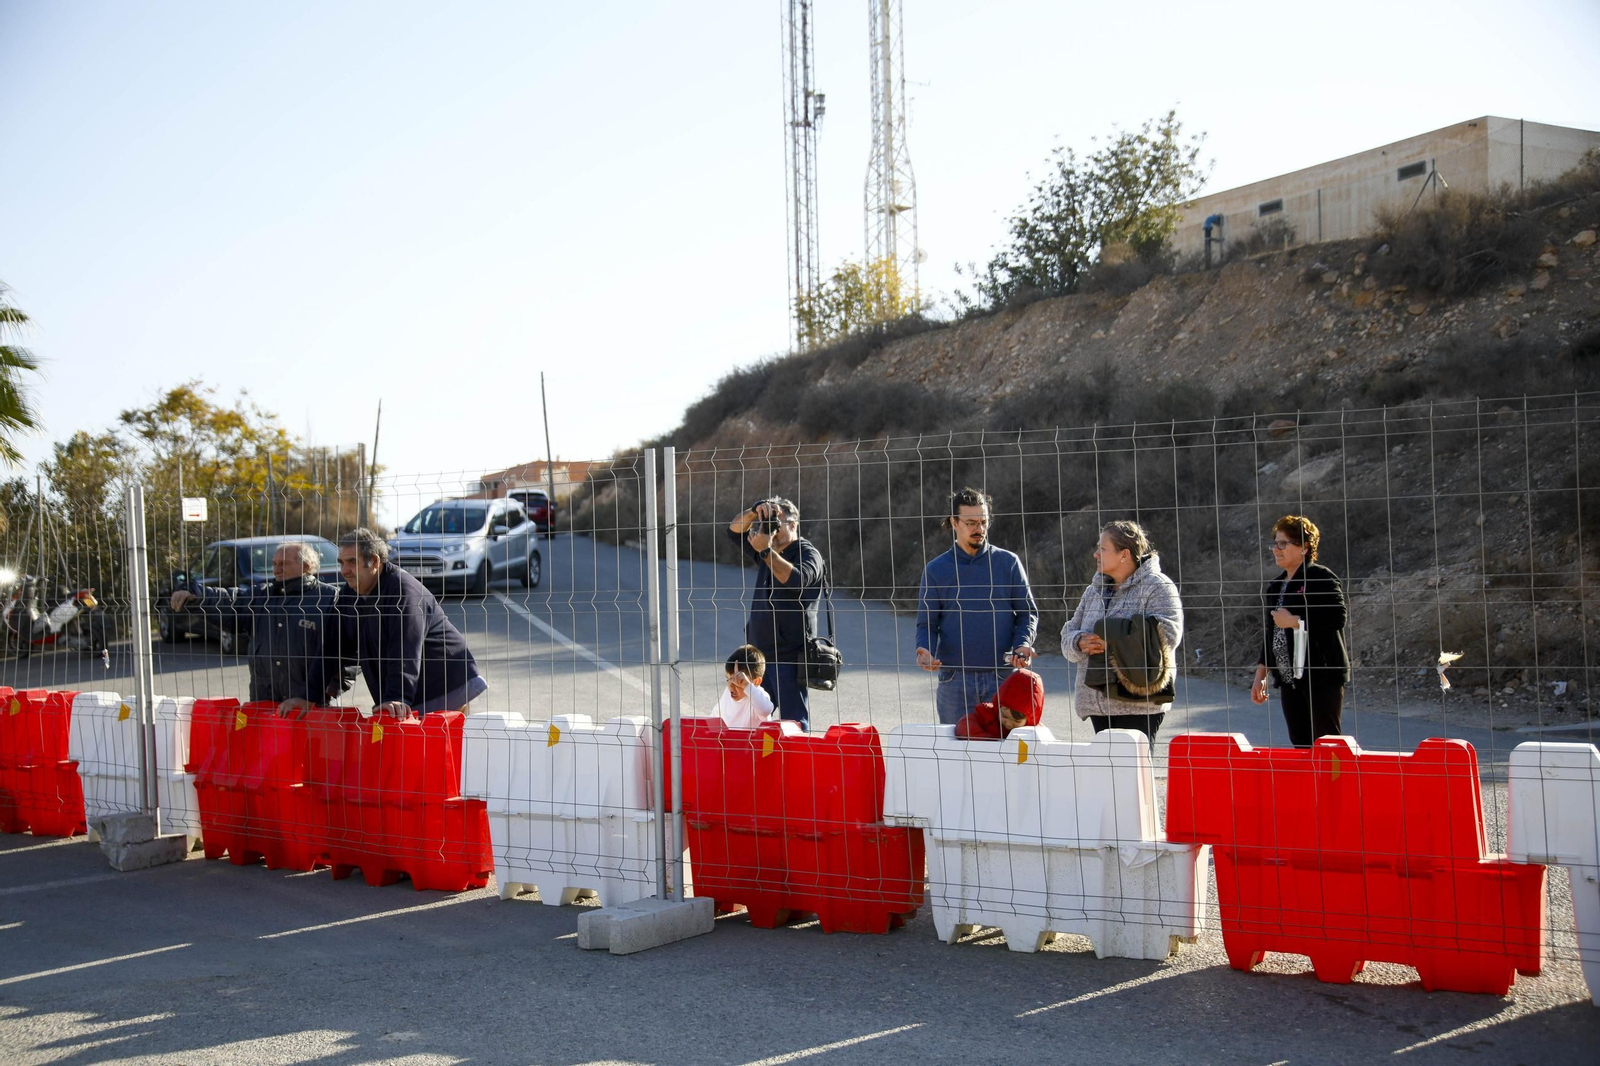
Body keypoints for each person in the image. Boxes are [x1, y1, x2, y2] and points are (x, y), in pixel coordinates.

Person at [283, 527, 486, 718]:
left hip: (446, 685)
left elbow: (405, 649)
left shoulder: (403, 592)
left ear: (374, 561)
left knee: (435, 752)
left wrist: (396, 698)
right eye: (341, 562)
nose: (344, 570)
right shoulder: (350, 594)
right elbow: (332, 647)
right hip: (410, 689)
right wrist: (308, 696)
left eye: (352, 562)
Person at [169, 541, 354, 712]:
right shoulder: (261, 596)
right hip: (265, 705)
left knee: (312, 749)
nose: (277, 569)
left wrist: (328, 690)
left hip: (312, 707)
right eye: (274, 564)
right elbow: (229, 600)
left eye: (284, 564)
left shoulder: (330, 599)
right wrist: (196, 596)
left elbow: (352, 649)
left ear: (306, 567)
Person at [915, 487, 1039, 726]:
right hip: (954, 681)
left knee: (1005, 755)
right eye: (971, 522)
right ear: (954, 522)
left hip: (1002, 677)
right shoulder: (936, 569)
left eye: (983, 522)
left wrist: (1023, 643)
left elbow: (1027, 613)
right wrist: (925, 649)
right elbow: (927, 622)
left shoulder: (1008, 563)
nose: (979, 529)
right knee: (956, 754)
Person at [1060, 520, 1183, 743]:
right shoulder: (1093, 590)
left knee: (1134, 775)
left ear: (1124, 554)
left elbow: (1169, 634)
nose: (1096, 554)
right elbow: (1069, 631)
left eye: (1102, 548)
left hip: (1140, 704)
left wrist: (1113, 641)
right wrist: (1079, 642)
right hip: (1097, 704)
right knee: (1107, 776)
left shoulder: (1158, 587)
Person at [1251, 515, 1350, 747]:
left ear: (1304, 547)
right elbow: (1271, 634)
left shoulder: (1321, 578)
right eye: (1274, 544)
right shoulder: (1276, 586)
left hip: (1321, 677)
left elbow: (1337, 617)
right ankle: (1309, 785)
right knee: (1300, 744)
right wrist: (1261, 676)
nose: (1276, 549)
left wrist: (1296, 621)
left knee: (1327, 745)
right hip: (1288, 680)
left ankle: (1332, 785)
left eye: (1283, 544)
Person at [727, 497, 825, 729]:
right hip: (758, 655)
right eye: (767, 523)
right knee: (750, 718)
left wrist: (766, 551)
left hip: (789, 655)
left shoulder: (808, 554)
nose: (769, 530)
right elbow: (733, 531)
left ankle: (797, 763)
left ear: (793, 524)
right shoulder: (766, 549)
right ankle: (762, 764)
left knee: (792, 723)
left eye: (775, 523)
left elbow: (797, 580)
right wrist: (755, 512)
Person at [954, 667, 1044, 740]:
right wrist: (991, 742)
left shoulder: (1036, 732)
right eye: (1004, 716)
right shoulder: (986, 714)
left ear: (1031, 717)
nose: (1008, 723)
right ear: (999, 706)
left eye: (1017, 721)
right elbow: (963, 725)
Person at [717, 644, 776, 729]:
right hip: (728, 740)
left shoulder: (759, 696)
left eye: (739, 682)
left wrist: (747, 686)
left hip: (753, 742)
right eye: (728, 680)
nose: (731, 686)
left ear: (756, 682)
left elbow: (766, 710)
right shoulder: (727, 694)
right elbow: (714, 716)